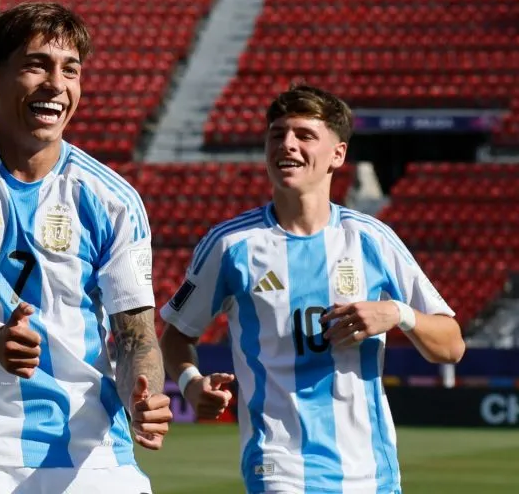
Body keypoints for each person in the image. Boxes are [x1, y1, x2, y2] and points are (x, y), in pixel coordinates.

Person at [0, 2, 172, 493]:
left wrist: (143, 392)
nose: (57, 84)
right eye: (36, 65)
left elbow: (136, 335)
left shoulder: (113, 199)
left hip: (94, 450)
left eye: (71, 70)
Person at [159, 85, 466, 494]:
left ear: (337, 155)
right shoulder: (231, 245)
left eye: (304, 135)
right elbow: (177, 333)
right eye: (277, 134)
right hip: (280, 467)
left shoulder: (371, 239)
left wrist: (397, 314)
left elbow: (451, 345)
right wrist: (190, 382)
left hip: (372, 473)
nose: (287, 144)